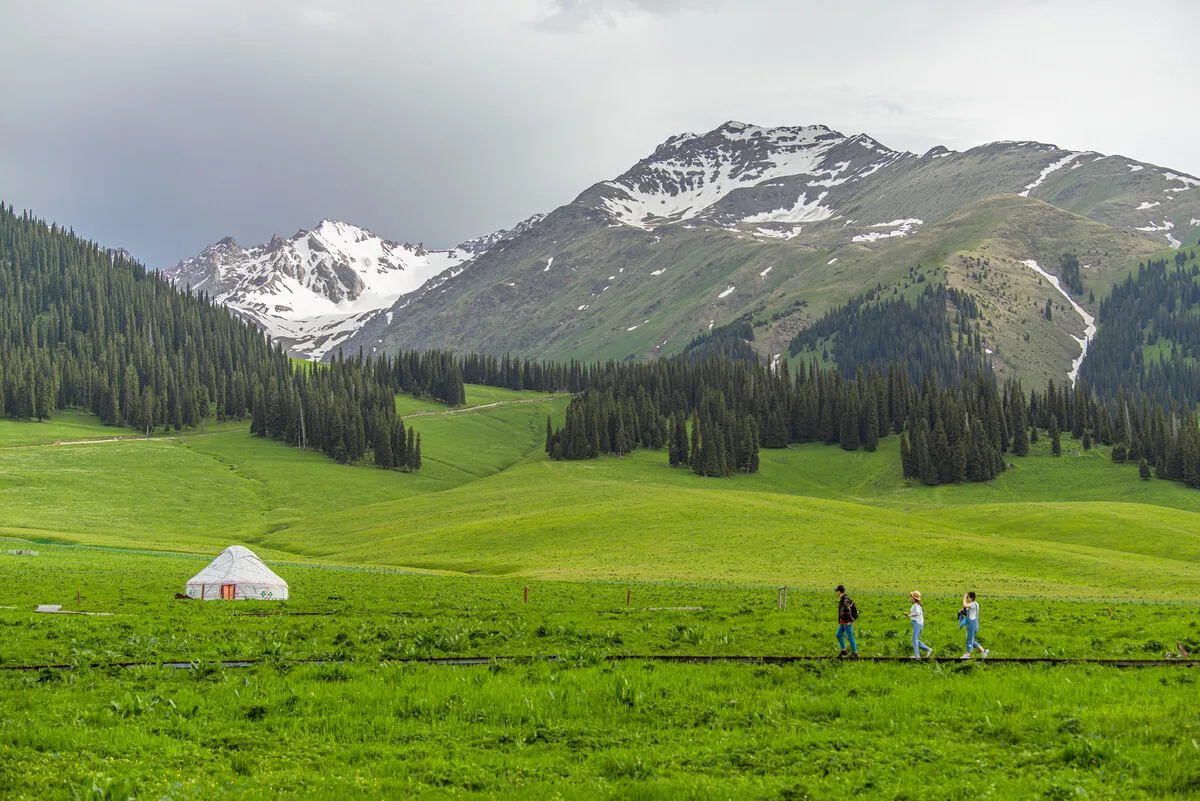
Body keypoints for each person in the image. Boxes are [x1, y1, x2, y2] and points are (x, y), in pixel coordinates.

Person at [960, 591, 989, 659]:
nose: (967, 599)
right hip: (972, 623)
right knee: (972, 640)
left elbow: (964, 605)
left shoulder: (973, 604)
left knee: (969, 640)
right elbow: (968, 614)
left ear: (971, 597)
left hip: (972, 624)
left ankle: (968, 654)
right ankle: (983, 651)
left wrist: (964, 597)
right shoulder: (975, 604)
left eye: (968, 597)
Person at [905, 591, 933, 659]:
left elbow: (917, 613)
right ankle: (927, 649)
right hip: (917, 623)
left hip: (918, 623)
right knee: (915, 639)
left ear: (914, 598)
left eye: (911, 597)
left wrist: (909, 615)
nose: (910, 598)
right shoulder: (917, 605)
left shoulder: (916, 605)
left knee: (914, 640)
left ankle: (917, 656)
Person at [835, 584, 859, 658]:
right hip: (843, 621)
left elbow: (847, 610)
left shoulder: (845, 599)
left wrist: (849, 620)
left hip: (847, 621)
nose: (837, 593)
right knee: (838, 634)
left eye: (837, 591)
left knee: (850, 636)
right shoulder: (843, 598)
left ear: (839, 591)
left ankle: (855, 653)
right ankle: (843, 650)